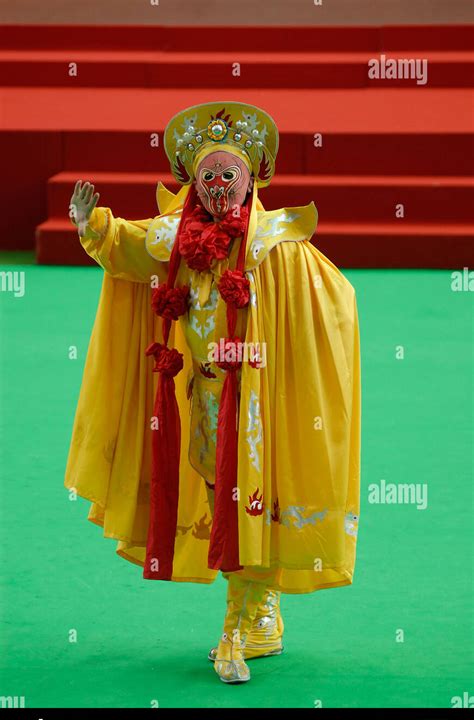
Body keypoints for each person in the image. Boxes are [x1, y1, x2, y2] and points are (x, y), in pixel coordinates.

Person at [65, 101, 361, 685]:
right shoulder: (177, 234)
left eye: (231, 176)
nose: (221, 188)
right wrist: (91, 226)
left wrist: (275, 352)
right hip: (200, 399)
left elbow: (331, 299)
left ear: (252, 181)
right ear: (193, 183)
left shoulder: (275, 243)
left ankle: (241, 624)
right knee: (216, 487)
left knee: (246, 497)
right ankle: (261, 613)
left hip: (254, 398)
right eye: (210, 177)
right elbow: (130, 247)